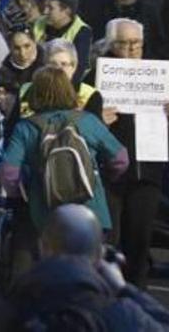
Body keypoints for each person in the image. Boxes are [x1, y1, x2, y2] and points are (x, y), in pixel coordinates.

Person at [0, 67, 129, 275]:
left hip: (45, 212)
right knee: (90, 272)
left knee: (51, 273)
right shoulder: (87, 121)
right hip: (91, 209)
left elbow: (8, 172)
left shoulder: (26, 127)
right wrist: (103, 178)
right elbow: (121, 159)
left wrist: (22, 195)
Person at [0, 205, 169, 330]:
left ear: (43, 247)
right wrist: (123, 288)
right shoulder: (118, 314)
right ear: (99, 254)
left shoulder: (4, 313)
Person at [95, 19, 169, 287]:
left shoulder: (159, 74)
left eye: (135, 43)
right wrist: (97, 118)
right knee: (110, 239)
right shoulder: (97, 76)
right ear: (111, 44)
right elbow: (81, 121)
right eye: (123, 44)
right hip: (110, 171)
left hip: (148, 169)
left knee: (140, 238)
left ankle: (136, 296)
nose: (130, 50)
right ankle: (108, 293)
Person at [32, 0, 93, 84]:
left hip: (67, 83)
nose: (45, 12)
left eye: (50, 8)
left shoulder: (82, 31)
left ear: (66, 11)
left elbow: (79, 67)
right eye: (45, 7)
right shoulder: (39, 23)